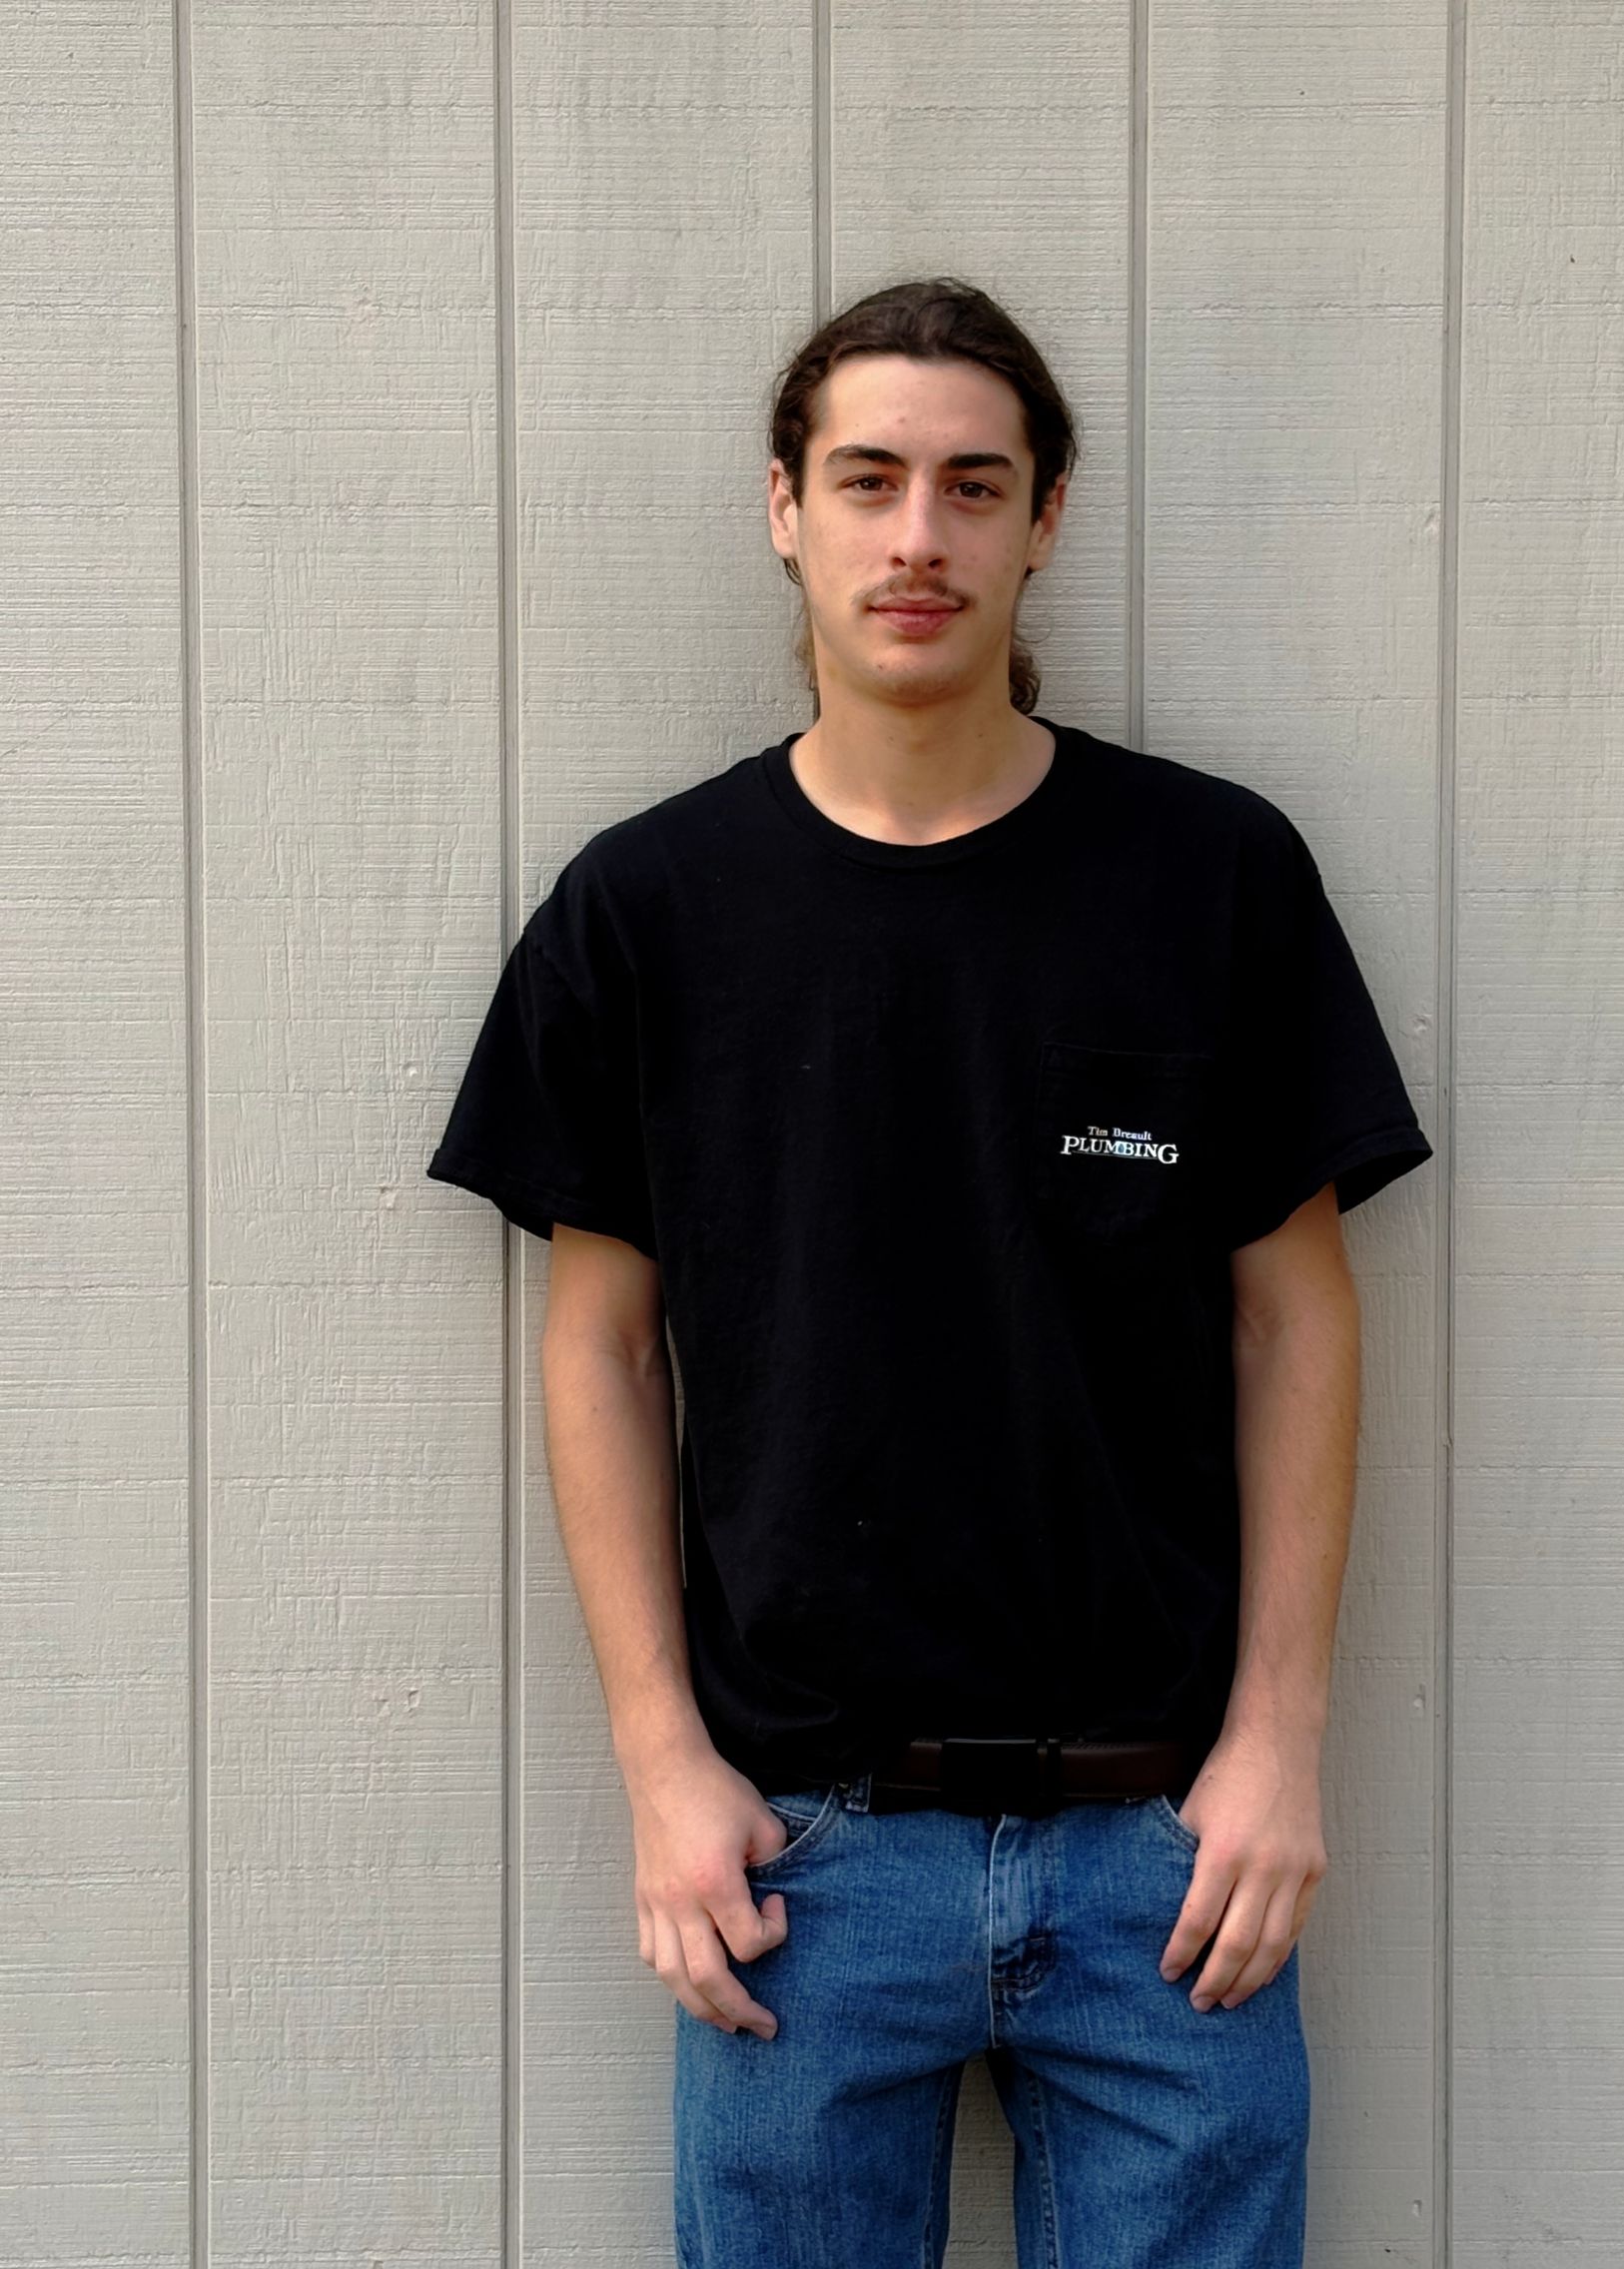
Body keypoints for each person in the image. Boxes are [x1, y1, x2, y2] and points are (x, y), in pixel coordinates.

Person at [426, 277, 1432, 2268]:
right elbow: (602, 1347)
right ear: (782, 509)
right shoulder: (647, 912)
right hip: (802, 1850)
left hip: (1169, 1857)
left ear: (1045, 516)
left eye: (974, 485)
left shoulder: (1209, 875)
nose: (918, 535)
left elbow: (1295, 1316)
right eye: (868, 478)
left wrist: (1277, 1746)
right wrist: (661, 1766)